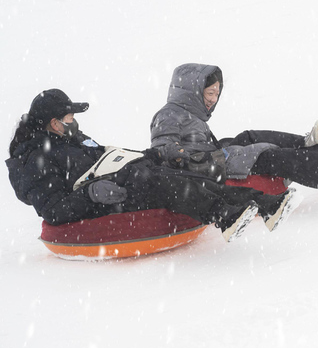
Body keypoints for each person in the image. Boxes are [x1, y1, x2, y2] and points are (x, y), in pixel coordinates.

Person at [6, 89, 298, 242]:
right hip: (103, 200)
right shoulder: (34, 160)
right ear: (55, 123)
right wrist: (92, 194)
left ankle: (265, 204)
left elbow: (102, 156)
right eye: (69, 117)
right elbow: (54, 210)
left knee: (180, 173)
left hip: (122, 177)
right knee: (165, 185)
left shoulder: (70, 138)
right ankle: (225, 215)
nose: (74, 121)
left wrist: (143, 156)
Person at [150, 63, 318, 191]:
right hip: (206, 165)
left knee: (248, 137)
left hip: (212, 156)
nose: (214, 100)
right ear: (192, 92)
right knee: (263, 155)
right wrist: (175, 151)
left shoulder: (189, 114)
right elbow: (163, 146)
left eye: (217, 93)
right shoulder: (169, 114)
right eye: (209, 93)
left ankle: (305, 143)